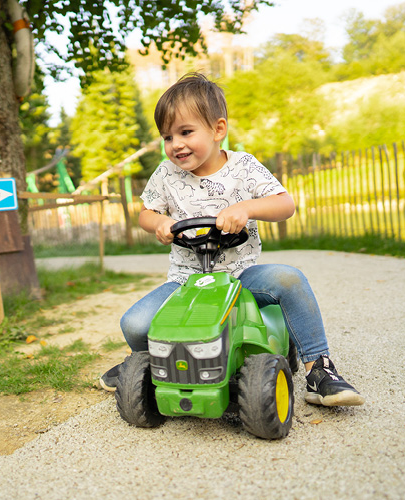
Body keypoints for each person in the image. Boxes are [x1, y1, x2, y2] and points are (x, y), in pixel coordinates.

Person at [100, 72, 364, 407]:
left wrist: (248, 207)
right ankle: (145, 364)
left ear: (218, 129)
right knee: (135, 323)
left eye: (185, 132)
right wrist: (160, 222)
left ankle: (319, 368)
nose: (175, 144)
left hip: (240, 276)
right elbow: (144, 212)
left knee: (289, 279)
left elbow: (285, 204)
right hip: (187, 282)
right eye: (167, 137)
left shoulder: (244, 167)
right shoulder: (166, 175)